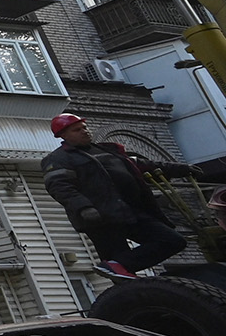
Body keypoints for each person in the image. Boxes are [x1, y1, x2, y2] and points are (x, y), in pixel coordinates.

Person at [41, 113, 191, 278]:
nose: (85, 131)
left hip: (131, 212)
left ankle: (119, 266)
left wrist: (181, 169)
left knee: (173, 240)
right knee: (121, 273)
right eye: (77, 130)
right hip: (102, 220)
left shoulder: (108, 150)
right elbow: (60, 187)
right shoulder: (58, 159)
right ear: (63, 135)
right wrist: (84, 207)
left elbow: (140, 165)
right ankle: (122, 276)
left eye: (84, 127)